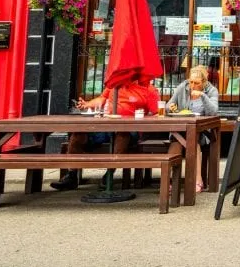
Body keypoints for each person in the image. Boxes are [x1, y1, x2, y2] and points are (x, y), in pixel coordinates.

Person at [50, 79, 160, 191]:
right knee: (78, 134)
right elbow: (102, 98)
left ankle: (109, 174)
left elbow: (157, 113)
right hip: (105, 126)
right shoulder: (115, 83)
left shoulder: (148, 89)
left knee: (123, 133)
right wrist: (88, 104)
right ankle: (72, 175)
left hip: (130, 130)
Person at [166, 65, 219, 193]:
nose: (192, 85)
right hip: (181, 128)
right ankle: (169, 181)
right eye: (191, 81)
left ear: (204, 82)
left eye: (196, 83)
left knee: (193, 142)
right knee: (176, 143)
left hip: (201, 131)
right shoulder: (182, 88)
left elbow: (213, 111)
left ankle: (197, 180)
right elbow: (168, 105)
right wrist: (171, 107)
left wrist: (202, 95)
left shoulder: (211, 91)